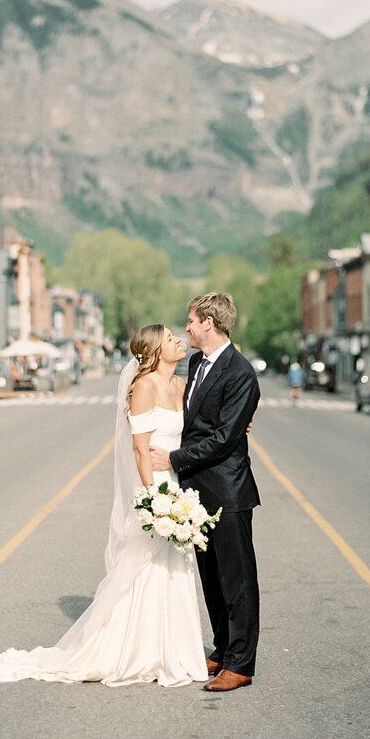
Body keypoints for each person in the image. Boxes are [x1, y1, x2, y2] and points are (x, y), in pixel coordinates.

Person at [0, 323, 207, 687]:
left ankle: (173, 647)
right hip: (155, 487)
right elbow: (139, 448)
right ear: (155, 351)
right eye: (171, 338)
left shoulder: (181, 385)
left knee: (175, 566)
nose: (179, 341)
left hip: (177, 483)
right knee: (144, 566)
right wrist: (153, 499)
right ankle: (137, 648)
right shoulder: (144, 387)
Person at [149, 292, 261, 693]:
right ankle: (223, 646)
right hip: (196, 492)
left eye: (192, 321)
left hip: (228, 491)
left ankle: (241, 664)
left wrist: (174, 459)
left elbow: (224, 437)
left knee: (237, 578)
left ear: (209, 323)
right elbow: (195, 419)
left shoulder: (241, 373)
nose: (188, 328)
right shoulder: (196, 363)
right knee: (211, 576)